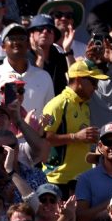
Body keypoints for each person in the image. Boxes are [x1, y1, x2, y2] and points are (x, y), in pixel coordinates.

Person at [42, 60, 104, 188]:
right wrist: (75, 137)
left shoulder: (85, 106)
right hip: (59, 179)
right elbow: (45, 139)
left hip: (82, 177)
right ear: (79, 80)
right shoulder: (58, 104)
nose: (96, 87)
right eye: (93, 82)